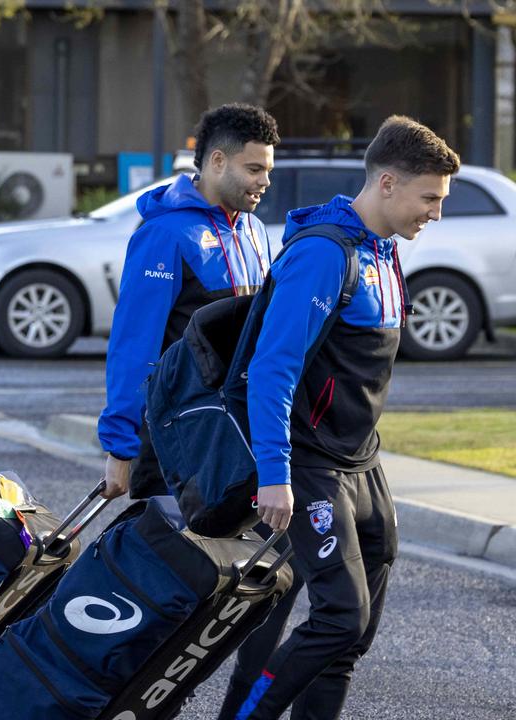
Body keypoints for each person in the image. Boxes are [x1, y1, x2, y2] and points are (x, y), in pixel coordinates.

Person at [235, 116, 459, 720]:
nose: (435, 213)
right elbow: (273, 368)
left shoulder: (383, 253)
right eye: (429, 198)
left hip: (361, 462)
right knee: (339, 619)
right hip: (309, 465)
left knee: (350, 639)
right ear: (388, 183)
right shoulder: (323, 255)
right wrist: (274, 473)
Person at [98, 103, 279, 501]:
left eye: (267, 170)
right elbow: (134, 344)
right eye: (254, 169)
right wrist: (120, 446)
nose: (265, 181)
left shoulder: (254, 229)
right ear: (217, 161)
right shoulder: (163, 234)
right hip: (173, 434)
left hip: (235, 430)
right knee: (164, 556)